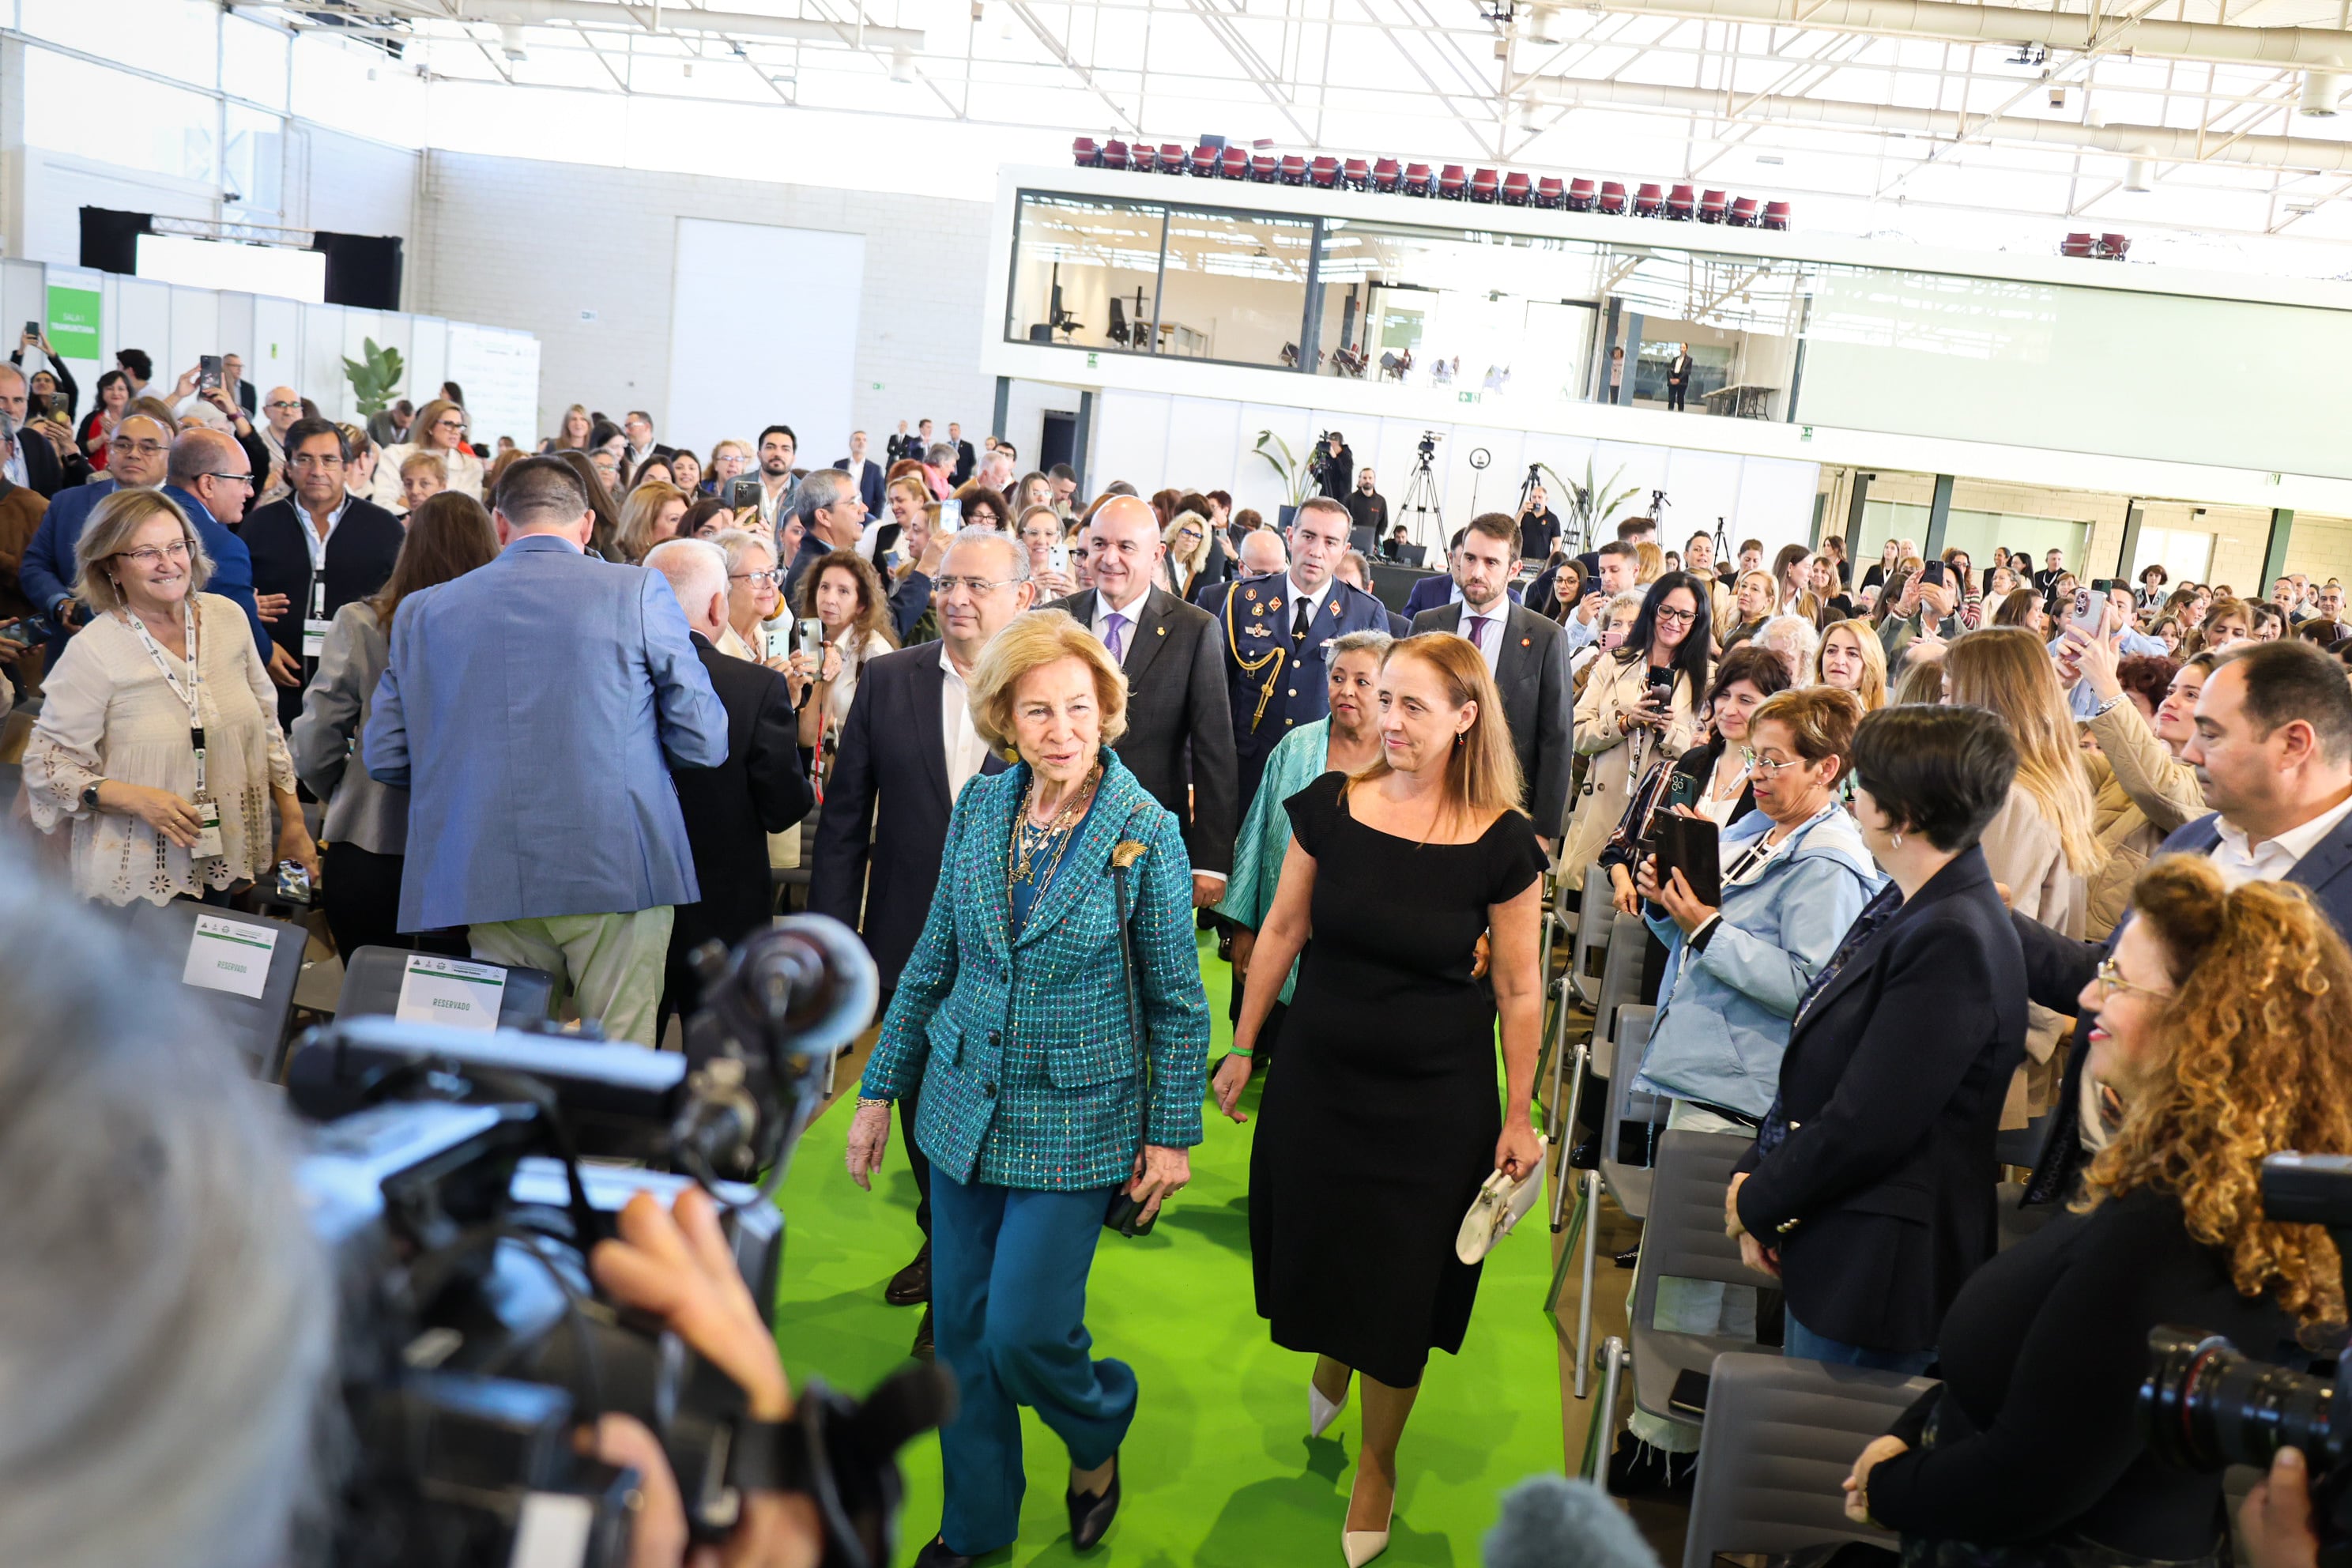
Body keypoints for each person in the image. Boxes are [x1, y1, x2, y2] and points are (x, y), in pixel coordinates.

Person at [1847, 857, 2352, 1565]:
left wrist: (1888, 1487)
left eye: (2116, 980)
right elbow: (2045, 1366)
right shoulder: (2176, 1182)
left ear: (2201, 1026)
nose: (2088, 997)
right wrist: (1918, 1427)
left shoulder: (2176, 1232)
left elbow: (2031, 1481)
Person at [844, 610, 1208, 1568]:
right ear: (1005, 716)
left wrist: (1171, 1136)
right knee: (962, 1334)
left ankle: (1098, 1427)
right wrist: (880, 1088)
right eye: (1038, 710)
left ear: (1106, 712)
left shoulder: (1144, 831)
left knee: (1025, 1333)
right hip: (962, 1107)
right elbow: (935, 957)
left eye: (1078, 708)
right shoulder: (981, 806)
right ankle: (973, 1529)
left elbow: (1176, 999)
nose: (1060, 729)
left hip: (1078, 1120)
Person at [1212, 632, 1547, 1568]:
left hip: (1437, 1104)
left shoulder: (1505, 841)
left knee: (1402, 1287)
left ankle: (1378, 1460)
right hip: (1320, 1081)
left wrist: (1519, 1112)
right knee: (1320, 1248)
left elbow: (1521, 990)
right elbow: (1282, 926)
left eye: (1412, 706)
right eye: (1383, 699)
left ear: (1465, 719)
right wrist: (1242, 1042)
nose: (1387, 719)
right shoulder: (1329, 804)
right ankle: (1332, 1350)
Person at [1610, 685, 1879, 1492]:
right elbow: (1704, 937)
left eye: (1775, 760)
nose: (1756, 773)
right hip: (1709, 1064)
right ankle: (1676, 1443)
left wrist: (1707, 929)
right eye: (1754, 757)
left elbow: (1812, 987)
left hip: (1745, 1087)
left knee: (1698, 1287)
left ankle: (1674, 1451)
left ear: (1830, 767)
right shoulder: (1760, 829)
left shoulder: (1832, 862)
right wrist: (1672, 909)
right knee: (1686, 1281)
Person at [362, 457, 727, 1047]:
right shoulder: (635, 589)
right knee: (617, 1062)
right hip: (617, 863)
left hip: (484, 865)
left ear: (500, 525)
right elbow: (705, 740)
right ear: (586, 525)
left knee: (502, 1065)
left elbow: (385, 755)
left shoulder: (423, 610)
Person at [1728, 703, 2026, 1368]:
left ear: (1904, 813)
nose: (1852, 797)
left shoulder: (1951, 934)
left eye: (1864, 784)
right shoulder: (1916, 902)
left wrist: (1758, 1199)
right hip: (1843, 1231)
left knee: (1818, 1465)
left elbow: (1869, 1122)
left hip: (1882, 1265)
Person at [2021, 638, 2352, 1204]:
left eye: (2214, 734)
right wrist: (1984, 916)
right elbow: (2113, 973)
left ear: (2294, 743)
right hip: (2103, 1180)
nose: (2191, 752)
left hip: (2240, 1223)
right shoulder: (2195, 842)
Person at [812, 526, 1031, 1361]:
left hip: (1013, 951)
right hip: (907, 937)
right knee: (919, 1105)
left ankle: (960, 1274)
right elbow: (843, 825)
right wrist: (843, 946)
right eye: (946, 584)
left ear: (1020, 597)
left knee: (994, 1115)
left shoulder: (1042, 691)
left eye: (977, 584)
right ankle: (943, 1242)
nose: (958, 598)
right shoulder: (889, 679)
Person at [24, 488, 318, 906]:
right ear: (111, 566)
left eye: (177, 546)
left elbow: (269, 727)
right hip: (136, 875)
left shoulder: (229, 618)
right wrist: (140, 799)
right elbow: (45, 765)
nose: (168, 564)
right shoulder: (95, 649)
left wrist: (292, 820)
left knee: (210, 967)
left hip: (222, 857)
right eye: (146, 553)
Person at [291, 492, 499, 959]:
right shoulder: (503, 627)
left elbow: (314, 739)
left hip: (371, 835)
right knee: (461, 1014)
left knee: (372, 1006)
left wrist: (344, 791)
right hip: (474, 846)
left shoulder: (361, 622)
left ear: (410, 543)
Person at [643, 537, 815, 1023]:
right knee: (721, 1061)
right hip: (724, 912)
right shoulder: (754, 687)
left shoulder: (612, 677)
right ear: (718, 606)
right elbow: (784, 808)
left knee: (628, 1065)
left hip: (630, 903)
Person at [1944, 628, 2103, 1125]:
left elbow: (1981, 925)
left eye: (1950, 690)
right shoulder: (2035, 782)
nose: (1940, 702)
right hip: (2000, 1032)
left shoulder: (2010, 795)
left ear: (1983, 697)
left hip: (1977, 1042)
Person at [1046, 494, 1238, 903]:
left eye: (1125, 547)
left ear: (1157, 555)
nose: (1109, 558)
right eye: (1098, 544)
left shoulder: (1195, 629)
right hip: (1056, 830)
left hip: (1147, 834)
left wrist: (1210, 860)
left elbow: (1214, 751)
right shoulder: (1054, 621)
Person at [1213, 629, 1389, 1067]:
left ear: (1389, 691)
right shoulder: (1295, 747)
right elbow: (1254, 839)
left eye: (1362, 682)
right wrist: (1244, 930)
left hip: (1359, 939)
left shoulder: (1400, 760)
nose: (1346, 690)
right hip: (1286, 922)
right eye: (1337, 678)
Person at [1215, 496, 1393, 812]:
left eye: (1330, 542)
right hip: (1247, 771)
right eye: (1308, 536)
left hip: (1325, 775)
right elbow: (1217, 691)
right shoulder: (1245, 599)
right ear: (1290, 536)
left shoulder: (1364, 611)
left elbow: (1379, 705)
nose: (1316, 550)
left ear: (1344, 549)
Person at [1408, 511, 1574, 844]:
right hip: (1423, 799)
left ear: (1514, 570)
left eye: (1491, 562)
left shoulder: (1545, 637)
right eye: (1469, 558)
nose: (1476, 572)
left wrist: (1541, 831)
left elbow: (1556, 739)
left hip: (1505, 808)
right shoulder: (1427, 624)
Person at [1604, 643, 1792, 921]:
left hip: (1728, 923)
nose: (1729, 709)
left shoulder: (1774, 780)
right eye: (1724, 695)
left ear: (1773, 706)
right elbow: (1662, 840)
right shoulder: (1695, 762)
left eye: (1746, 700)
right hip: (1666, 918)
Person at [243, 416, 406, 729]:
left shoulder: (384, 528)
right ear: (289, 467)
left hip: (359, 694)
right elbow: (233, 601)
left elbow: (404, 600)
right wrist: (261, 645)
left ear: (347, 466)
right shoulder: (259, 525)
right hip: (275, 690)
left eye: (329, 460)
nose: (317, 471)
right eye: (305, 459)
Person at [1561, 573, 1710, 872]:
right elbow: (1576, 735)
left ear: (1698, 620)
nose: (1674, 621)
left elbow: (1709, 755)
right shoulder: (1613, 662)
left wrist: (1671, 732)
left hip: (1660, 816)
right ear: (1652, 609)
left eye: (1685, 615)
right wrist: (1625, 721)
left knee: (1640, 907)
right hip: (1601, 809)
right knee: (1584, 904)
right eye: (1666, 610)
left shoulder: (1709, 679)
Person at [792, 547, 898, 763]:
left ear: (861, 605)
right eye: (824, 587)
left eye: (843, 591)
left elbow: (888, 730)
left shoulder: (873, 652)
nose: (829, 599)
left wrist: (834, 726)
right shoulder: (811, 642)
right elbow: (806, 737)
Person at [779, 466, 868, 601]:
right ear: (824, 517)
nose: (864, 509)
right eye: (853, 502)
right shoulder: (817, 573)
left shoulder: (826, 560)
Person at [373, 397, 482, 503]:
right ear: (430, 426)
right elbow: (382, 502)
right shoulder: (395, 455)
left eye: (459, 426)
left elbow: (465, 512)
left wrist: (405, 501)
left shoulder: (471, 466)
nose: (455, 431)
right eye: (449, 424)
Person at [1815, 617, 1888, 710]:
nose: (1839, 661)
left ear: (1870, 666)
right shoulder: (1800, 710)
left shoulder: (1877, 721)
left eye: (1852, 654)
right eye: (1831, 651)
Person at [614, 479, 689, 564]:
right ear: (645, 527)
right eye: (674, 519)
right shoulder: (636, 574)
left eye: (686, 517)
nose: (686, 525)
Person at [1163, 510, 1222, 601]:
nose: (1191, 539)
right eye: (1186, 532)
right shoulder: (1163, 556)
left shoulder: (1191, 566)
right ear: (1176, 532)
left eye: (1197, 536)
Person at [1347, 467, 1390, 541]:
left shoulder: (1381, 501)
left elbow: (1384, 524)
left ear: (1374, 480)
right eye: (1365, 478)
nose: (1367, 481)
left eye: (1370, 478)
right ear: (1360, 480)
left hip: (1371, 543)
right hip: (1352, 541)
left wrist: (1376, 542)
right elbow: (1345, 521)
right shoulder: (1350, 499)